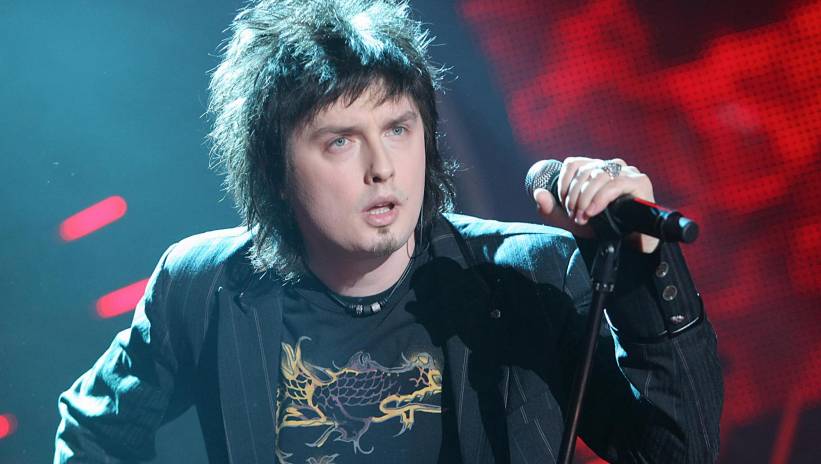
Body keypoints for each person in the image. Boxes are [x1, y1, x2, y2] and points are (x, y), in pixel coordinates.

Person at [54, 0, 723, 462]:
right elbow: (92, 435)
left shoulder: (527, 275)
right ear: (276, 170)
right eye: (340, 141)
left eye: (398, 129)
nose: (383, 168)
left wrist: (644, 267)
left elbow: (677, 452)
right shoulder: (204, 287)